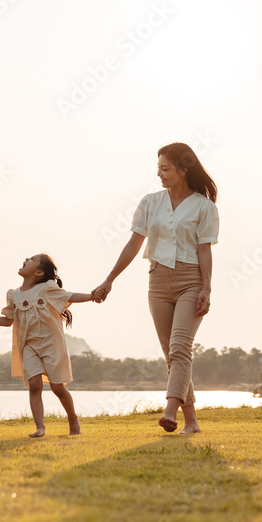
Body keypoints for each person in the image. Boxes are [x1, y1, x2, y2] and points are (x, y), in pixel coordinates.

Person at [92, 143, 218, 434]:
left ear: (183, 170)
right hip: (158, 281)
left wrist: (207, 288)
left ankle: (169, 412)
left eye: (166, 168)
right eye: (158, 168)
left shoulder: (204, 206)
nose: (159, 174)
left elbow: (204, 250)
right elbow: (134, 244)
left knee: (180, 348)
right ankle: (192, 421)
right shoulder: (150, 202)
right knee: (170, 354)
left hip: (191, 280)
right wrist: (109, 279)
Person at [0, 254, 95, 437]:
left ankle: (73, 419)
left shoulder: (47, 288)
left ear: (39, 272)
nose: (26, 258)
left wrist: (91, 296)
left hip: (52, 344)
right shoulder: (14, 294)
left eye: (32, 259)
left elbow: (70, 295)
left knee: (57, 387)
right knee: (34, 385)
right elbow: (7, 321)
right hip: (28, 345)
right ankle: (40, 427)